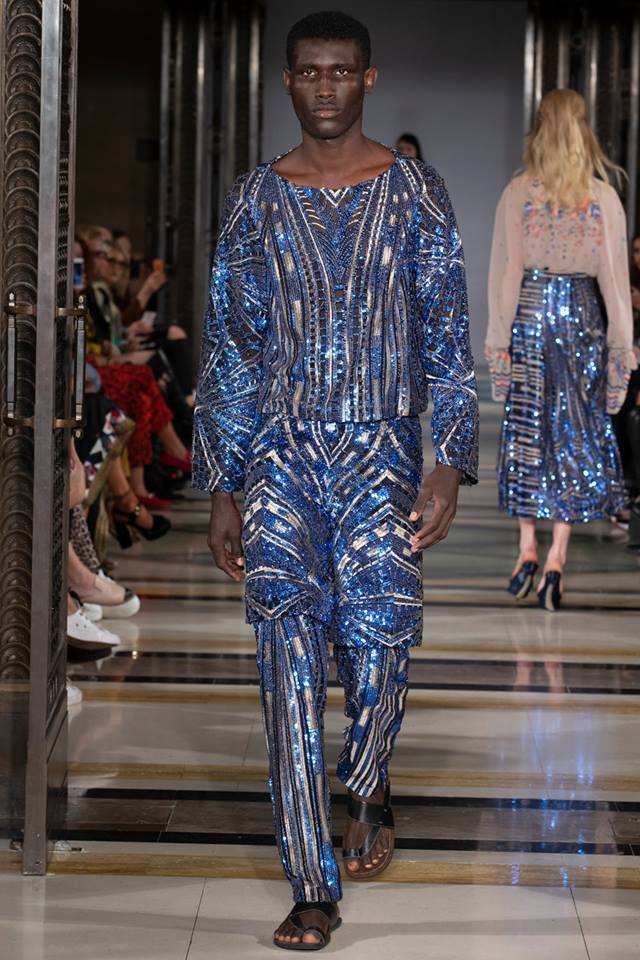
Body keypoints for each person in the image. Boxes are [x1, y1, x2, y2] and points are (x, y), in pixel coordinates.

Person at [193, 10, 478, 951]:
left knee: (383, 641)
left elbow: (446, 331)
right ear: (287, 81)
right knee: (285, 660)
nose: (325, 86)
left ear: (368, 79)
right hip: (279, 458)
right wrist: (223, 483)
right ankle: (312, 886)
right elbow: (232, 347)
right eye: (309, 72)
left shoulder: (416, 192)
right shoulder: (253, 199)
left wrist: (448, 460)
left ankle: (367, 777)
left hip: (383, 453)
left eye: (341, 71)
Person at [486, 89, 636, 611]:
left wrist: (498, 341)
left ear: (540, 128)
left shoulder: (518, 192)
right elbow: (615, 281)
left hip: (530, 312)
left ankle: (527, 546)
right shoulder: (602, 197)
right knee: (574, 431)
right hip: (581, 318)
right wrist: (621, 349)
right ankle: (556, 559)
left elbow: (506, 272)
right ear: (581, 129)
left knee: (528, 428)